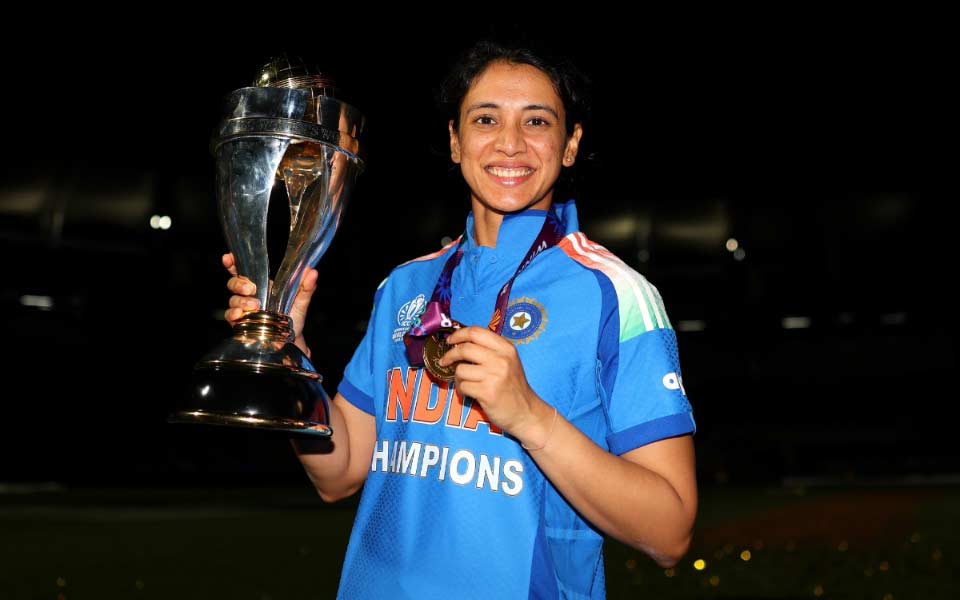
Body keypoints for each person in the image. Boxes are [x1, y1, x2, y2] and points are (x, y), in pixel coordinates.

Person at [223, 37, 697, 599]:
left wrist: (532, 418)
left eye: (537, 121)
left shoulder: (617, 294)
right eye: (486, 119)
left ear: (570, 145)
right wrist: (287, 354)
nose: (510, 143)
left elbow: (669, 532)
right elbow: (339, 472)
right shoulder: (405, 286)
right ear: (455, 140)